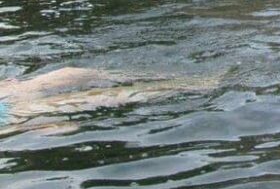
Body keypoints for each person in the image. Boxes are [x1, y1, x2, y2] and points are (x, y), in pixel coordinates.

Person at [0, 66, 218, 135]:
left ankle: (196, 82)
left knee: (79, 76)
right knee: (97, 90)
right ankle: (196, 83)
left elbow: (64, 126)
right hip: (12, 105)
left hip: (12, 100)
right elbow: (63, 126)